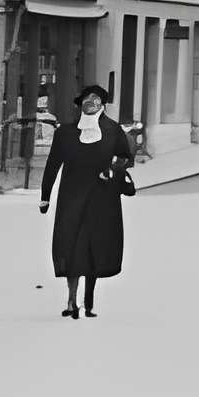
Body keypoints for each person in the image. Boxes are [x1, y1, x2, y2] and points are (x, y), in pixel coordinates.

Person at [38, 80, 133, 319]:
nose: (91, 103)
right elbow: (52, 165)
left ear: (103, 104)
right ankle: (71, 301)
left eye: (96, 100)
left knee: (96, 248)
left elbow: (124, 156)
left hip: (103, 198)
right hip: (72, 196)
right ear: (80, 104)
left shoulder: (113, 130)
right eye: (87, 100)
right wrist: (45, 197)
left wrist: (112, 169)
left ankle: (88, 302)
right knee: (72, 247)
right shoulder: (66, 133)